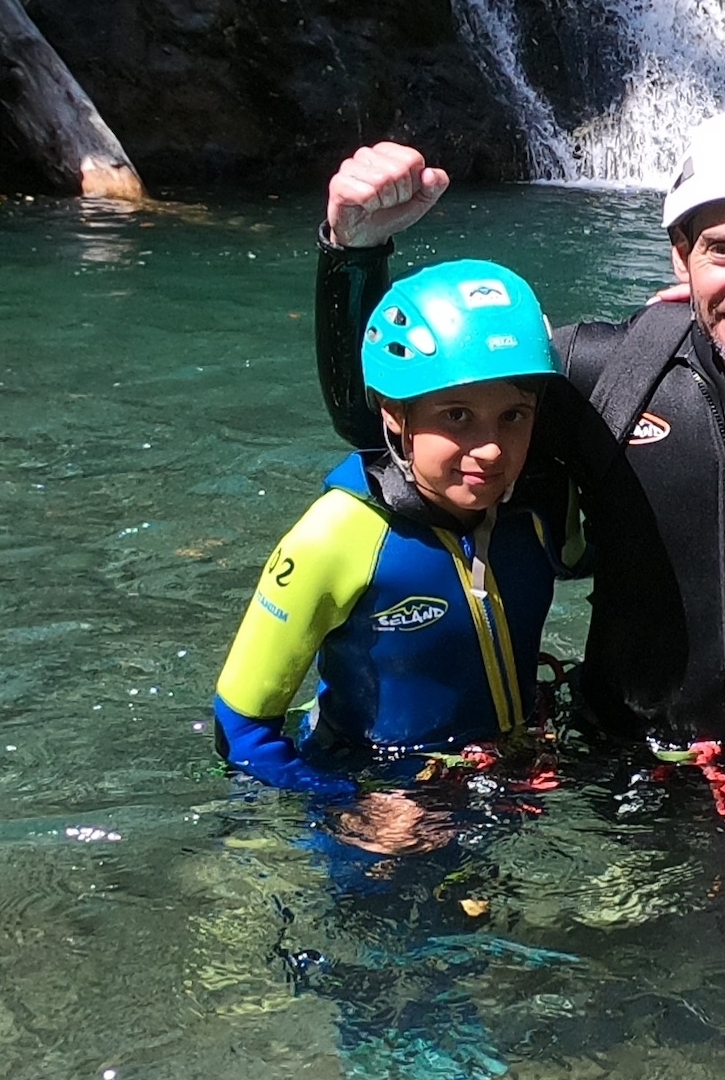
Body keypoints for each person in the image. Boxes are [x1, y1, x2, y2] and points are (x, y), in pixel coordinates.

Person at [314, 112, 725, 757]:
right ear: (682, 257)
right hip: (621, 768)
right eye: (722, 251)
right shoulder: (609, 376)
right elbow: (380, 427)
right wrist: (354, 254)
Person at [213, 259, 573, 809]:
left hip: (511, 775)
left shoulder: (539, 511)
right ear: (393, 414)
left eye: (514, 417)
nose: (492, 448)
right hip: (378, 794)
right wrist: (349, 804)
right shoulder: (335, 536)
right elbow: (239, 728)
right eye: (456, 416)